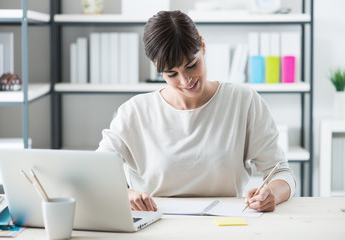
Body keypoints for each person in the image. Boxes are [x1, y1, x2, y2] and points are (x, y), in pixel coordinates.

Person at [97, 10, 296, 213]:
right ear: (157, 67)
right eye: (171, 73)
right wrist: (127, 195)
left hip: (225, 225)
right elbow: (95, 174)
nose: (186, 81)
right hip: (155, 228)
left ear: (203, 45)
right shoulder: (135, 112)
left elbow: (282, 173)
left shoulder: (243, 101)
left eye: (192, 65)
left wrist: (271, 194)